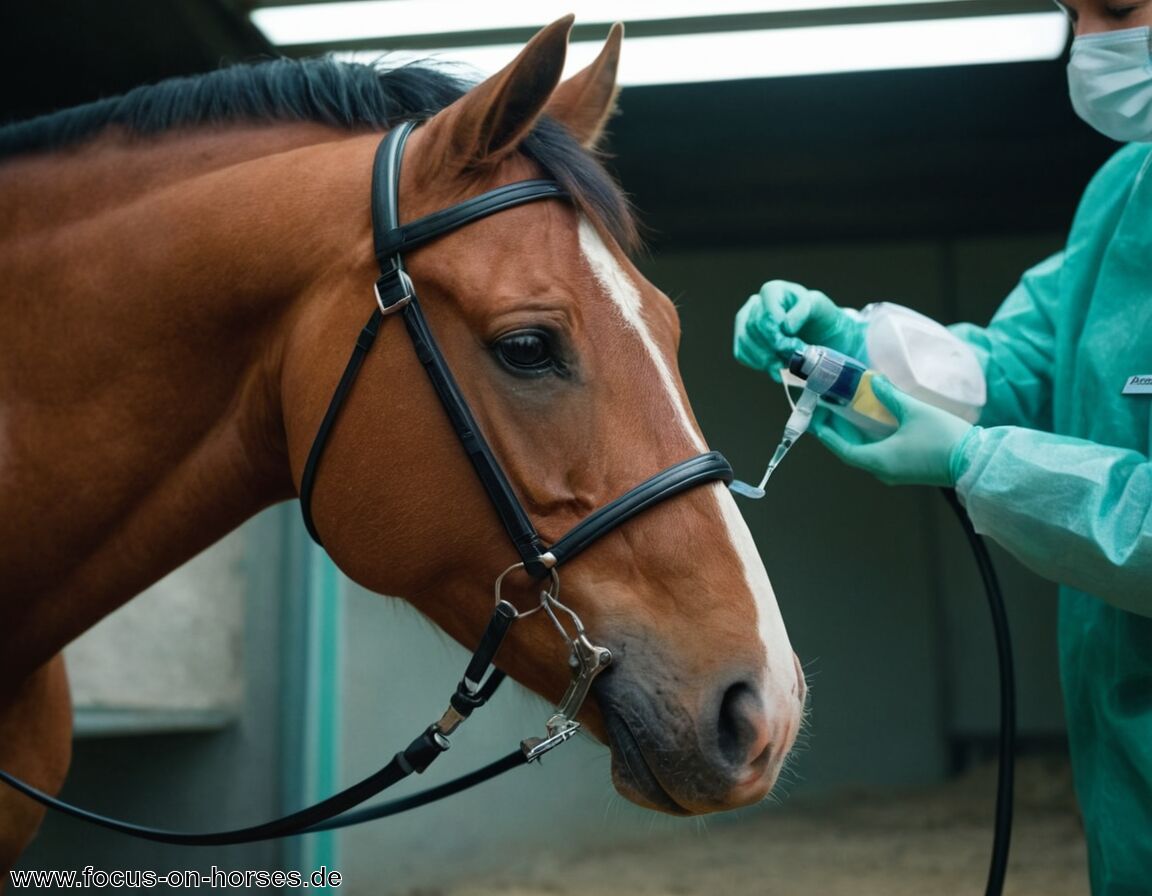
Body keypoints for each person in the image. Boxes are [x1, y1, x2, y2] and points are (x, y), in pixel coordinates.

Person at [733, 2, 1152, 893]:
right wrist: (847, 345)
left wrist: (978, 464)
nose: (1090, 42)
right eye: (1073, 13)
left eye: (1118, 8)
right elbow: (1012, 367)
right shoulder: (1126, 196)